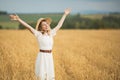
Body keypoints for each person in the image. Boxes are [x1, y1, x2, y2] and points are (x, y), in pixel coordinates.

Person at [9, 8, 71, 80]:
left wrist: (65, 14)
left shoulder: (51, 33)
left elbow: (59, 25)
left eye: (47, 24)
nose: (46, 25)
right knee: (41, 76)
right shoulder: (38, 34)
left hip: (49, 56)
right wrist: (18, 19)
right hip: (42, 57)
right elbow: (28, 26)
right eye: (44, 25)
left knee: (49, 76)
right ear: (40, 27)